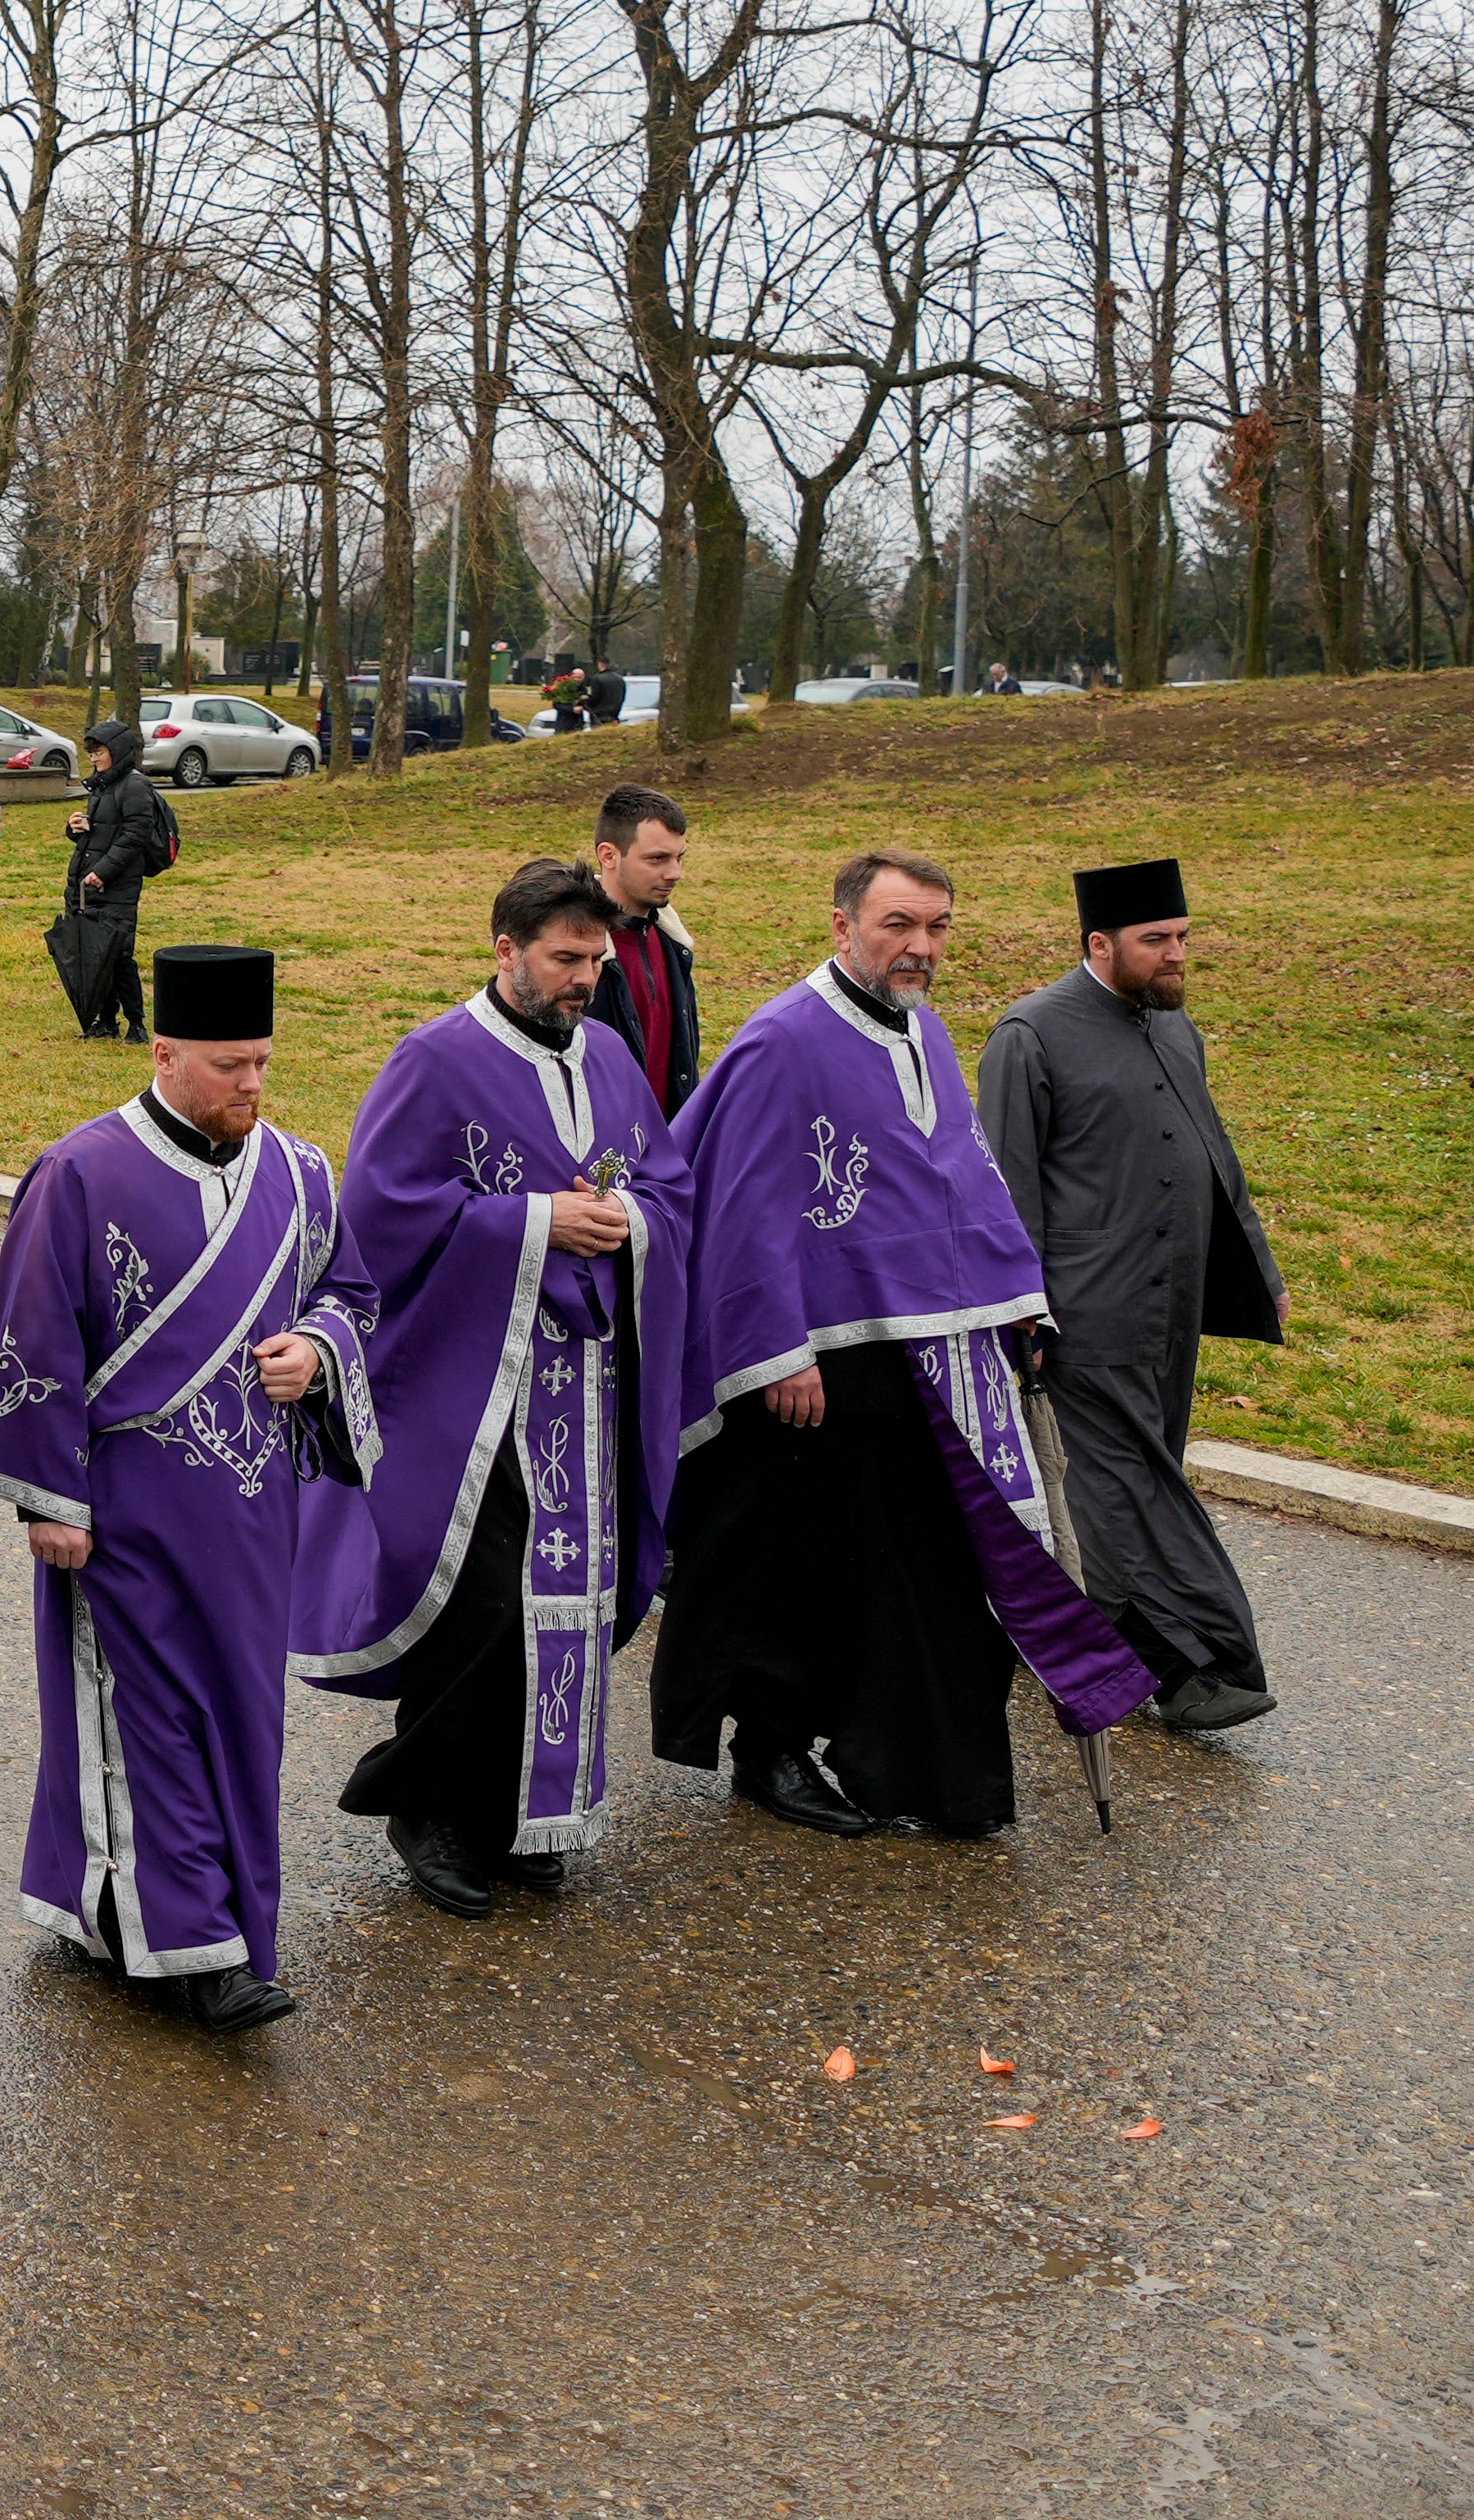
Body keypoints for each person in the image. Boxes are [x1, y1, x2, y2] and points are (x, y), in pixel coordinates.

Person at [649, 852, 1156, 1843]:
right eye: (897, 925)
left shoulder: (922, 1027)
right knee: (790, 1566)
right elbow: (744, 1208)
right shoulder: (782, 1042)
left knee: (920, 1567)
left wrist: (1018, 1298)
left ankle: (916, 1769)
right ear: (842, 927)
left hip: (927, 1351)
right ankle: (770, 1750)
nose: (919, 947)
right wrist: (779, 1348)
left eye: (936, 926)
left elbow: (960, 1175)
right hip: (813, 1365)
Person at [0, 943, 373, 2033]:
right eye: (230, 1063)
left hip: (253, 1512)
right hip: (126, 1509)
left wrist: (318, 1350)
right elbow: (33, 1340)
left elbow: (349, 1290)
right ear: (166, 1051)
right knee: (149, 1715)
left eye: (263, 1063)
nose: (251, 1085)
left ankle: (105, 1900)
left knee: (243, 1718)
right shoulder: (82, 1171)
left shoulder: (302, 1172)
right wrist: (49, 1498)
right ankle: (203, 1949)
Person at [293, 861, 696, 1915]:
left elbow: (663, 1183)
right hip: (472, 1393)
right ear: (504, 949)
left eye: (594, 961)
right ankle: (428, 1808)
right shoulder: (432, 1061)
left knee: (562, 1600)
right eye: (563, 959)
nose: (582, 980)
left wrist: (630, 1224)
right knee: (477, 1603)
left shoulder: (608, 1055)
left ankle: (524, 1813)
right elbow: (379, 1219)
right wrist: (533, 1222)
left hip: (586, 1387)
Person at [973, 859, 1290, 1738]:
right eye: (1157, 941)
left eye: (1182, 938)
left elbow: (1213, 1154)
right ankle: (1198, 1665)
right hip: (1084, 1309)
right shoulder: (1028, 1035)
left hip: (1169, 1304)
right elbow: (1005, 1182)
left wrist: (1258, 1271)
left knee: (1143, 1481)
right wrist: (1020, 1306)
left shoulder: (1173, 1028)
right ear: (1099, 943)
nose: (1175, 955)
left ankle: (1085, 1649)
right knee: (1122, 1489)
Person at [51, 721, 175, 1037]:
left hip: (117, 885)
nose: (94, 758)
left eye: (100, 752)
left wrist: (103, 871)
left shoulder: (134, 786)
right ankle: (106, 1021)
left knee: (119, 955)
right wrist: (75, 827)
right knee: (96, 953)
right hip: (90, 883)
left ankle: (137, 1024)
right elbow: (104, 832)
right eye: (91, 753)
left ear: (116, 751)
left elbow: (135, 835)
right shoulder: (104, 786)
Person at [592, 785, 703, 1112]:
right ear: (608, 855)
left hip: (665, 1151)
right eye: (657, 859)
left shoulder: (673, 942)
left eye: (679, 858)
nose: (675, 873)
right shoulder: (572, 952)